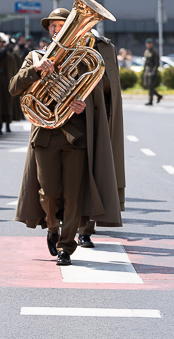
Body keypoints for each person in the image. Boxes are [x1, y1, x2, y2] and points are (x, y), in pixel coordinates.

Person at [11, 7, 121, 266]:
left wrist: (83, 104)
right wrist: (36, 71)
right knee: (48, 193)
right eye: (52, 25)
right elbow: (14, 87)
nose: (56, 28)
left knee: (73, 195)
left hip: (76, 137)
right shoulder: (35, 56)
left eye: (62, 24)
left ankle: (66, 247)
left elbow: (101, 97)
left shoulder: (85, 60)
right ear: (48, 30)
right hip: (45, 136)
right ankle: (51, 227)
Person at [78, 30, 125, 248]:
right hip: (72, 118)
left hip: (100, 119)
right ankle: (65, 224)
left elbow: (112, 86)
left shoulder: (107, 48)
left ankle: (85, 230)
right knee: (72, 175)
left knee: (95, 173)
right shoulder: (67, 45)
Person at [142, 38, 163, 105]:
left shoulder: (154, 52)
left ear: (152, 44)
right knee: (146, 85)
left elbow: (157, 63)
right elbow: (145, 63)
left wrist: (154, 71)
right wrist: (143, 71)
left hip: (152, 71)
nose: (148, 45)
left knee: (150, 86)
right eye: (147, 44)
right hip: (147, 71)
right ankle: (159, 96)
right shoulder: (146, 51)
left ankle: (150, 101)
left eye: (149, 44)